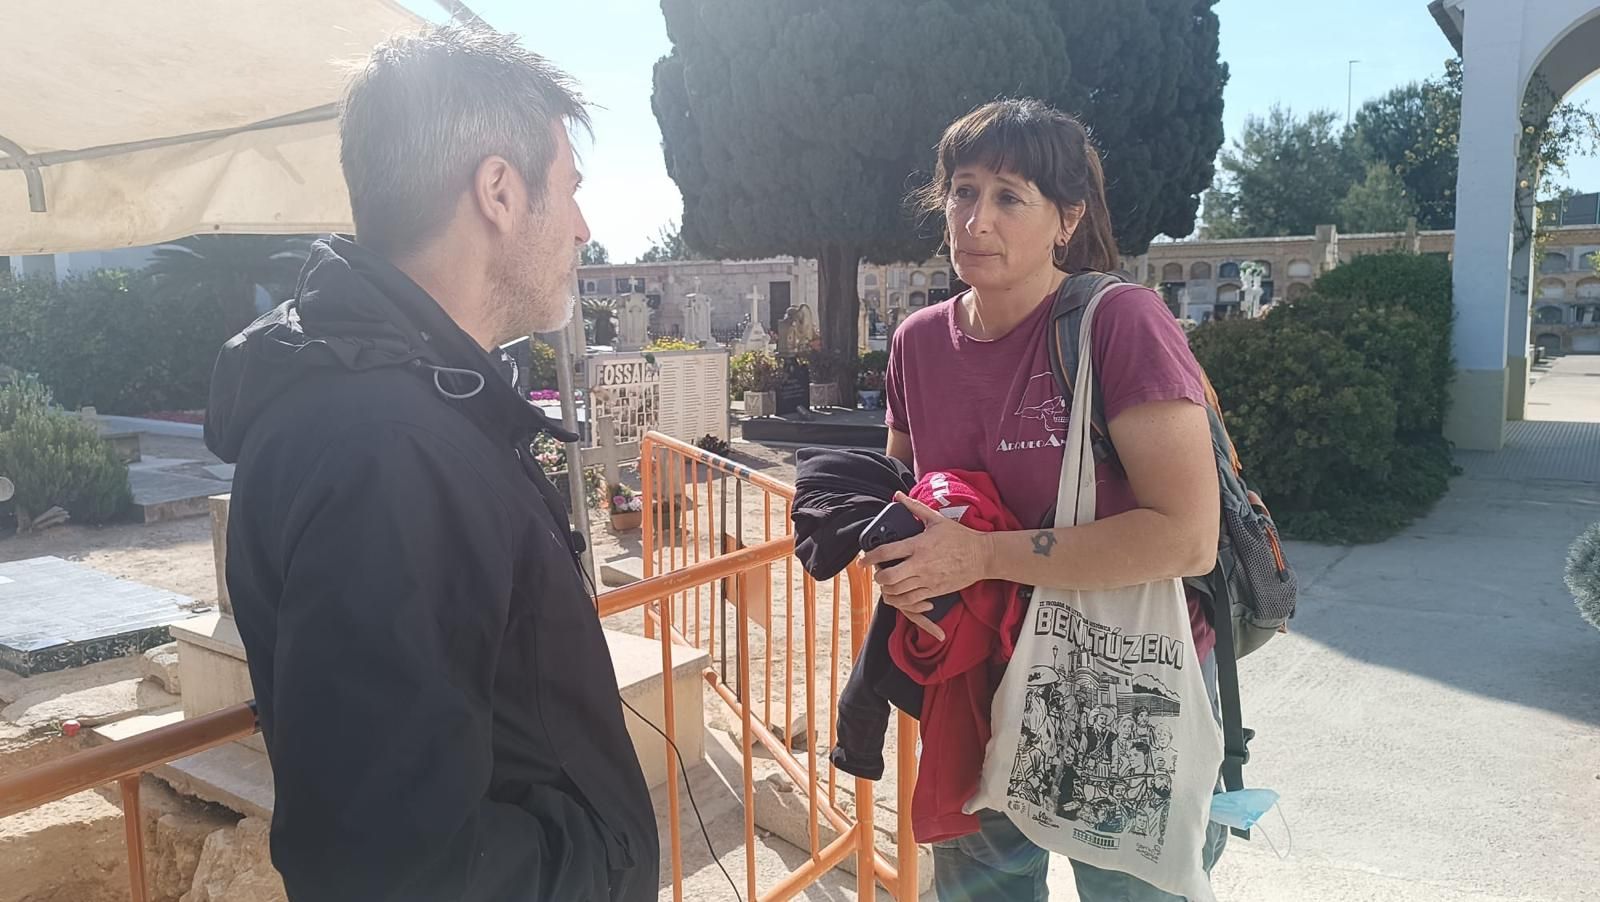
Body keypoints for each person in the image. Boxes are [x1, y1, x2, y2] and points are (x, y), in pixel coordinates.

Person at [204, 27, 657, 901]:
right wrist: (600, 868)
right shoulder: (390, 452)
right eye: (568, 192)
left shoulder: (409, 404)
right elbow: (391, 869)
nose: (582, 227)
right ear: (498, 191)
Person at [861, 98, 1227, 901]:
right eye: (962, 191)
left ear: (1067, 219)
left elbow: (1188, 537)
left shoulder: (1120, 323)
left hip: (1116, 687)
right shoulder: (917, 341)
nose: (975, 219)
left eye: (1008, 197)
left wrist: (985, 555)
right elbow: (905, 491)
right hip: (973, 686)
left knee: (1132, 889)